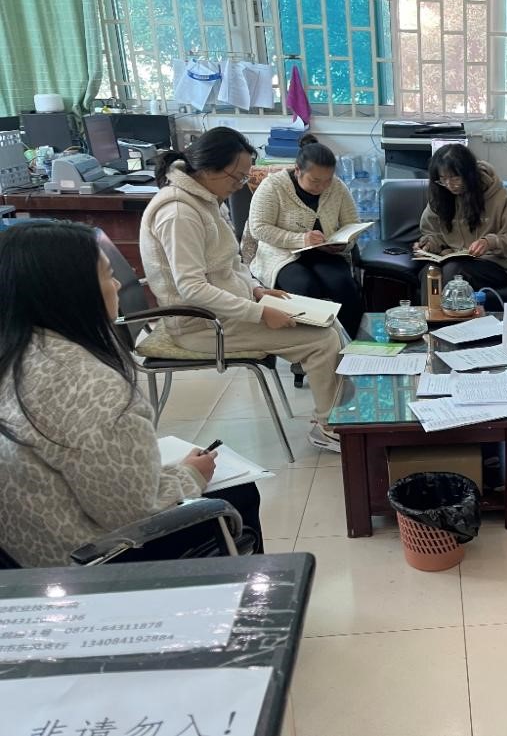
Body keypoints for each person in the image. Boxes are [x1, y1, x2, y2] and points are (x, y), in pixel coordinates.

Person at [0, 221, 264, 567]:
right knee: (239, 493)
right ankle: (250, 593)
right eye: (108, 276)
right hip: (87, 562)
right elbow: (135, 513)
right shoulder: (93, 387)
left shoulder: (15, 355)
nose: (117, 286)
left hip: (25, 555)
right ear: (71, 292)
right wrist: (190, 475)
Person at [140, 127, 344, 452]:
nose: (240, 185)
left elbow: (229, 265)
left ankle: (340, 416)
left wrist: (257, 290)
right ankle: (328, 426)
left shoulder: (205, 200)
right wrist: (259, 312)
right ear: (209, 169)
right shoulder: (179, 213)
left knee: (331, 321)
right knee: (322, 340)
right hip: (203, 326)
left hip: (230, 309)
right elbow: (192, 288)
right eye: (237, 177)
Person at [248, 133, 364, 336]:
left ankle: (349, 341)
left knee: (342, 284)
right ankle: (310, 347)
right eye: (315, 181)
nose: (322, 187)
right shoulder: (273, 186)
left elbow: (352, 224)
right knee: (303, 287)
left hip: (324, 253)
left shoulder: (337, 187)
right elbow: (259, 228)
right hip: (282, 255)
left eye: (327, 180)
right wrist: (301, 239)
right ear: (298, 170)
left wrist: (344, 244)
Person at [416, 143, 507, 298]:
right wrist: (428, 244)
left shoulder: (497, 194)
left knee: (453, 272)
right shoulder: (440, 194)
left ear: (469, 174)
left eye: (455, 178)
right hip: (452, 258)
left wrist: (489, 242)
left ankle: (444, 315)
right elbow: (433, 233)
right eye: (443, 179)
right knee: (430, 272)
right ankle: (430, 315)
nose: (449, 185)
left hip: (492, 264)